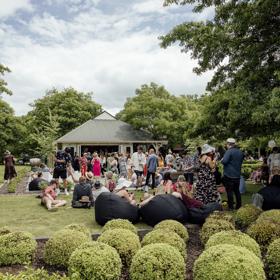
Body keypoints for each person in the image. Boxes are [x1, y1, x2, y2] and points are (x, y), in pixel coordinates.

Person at [221, 138, 244, 210]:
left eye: (226, 144)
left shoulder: (229, 151)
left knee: (229, 191)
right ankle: (239, 205)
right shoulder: (240, 152)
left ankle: (231, 207)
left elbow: (224, 161)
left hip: (229, 174)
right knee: (237, 191)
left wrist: (222, 160)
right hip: (237, 175)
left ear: (228, 144)